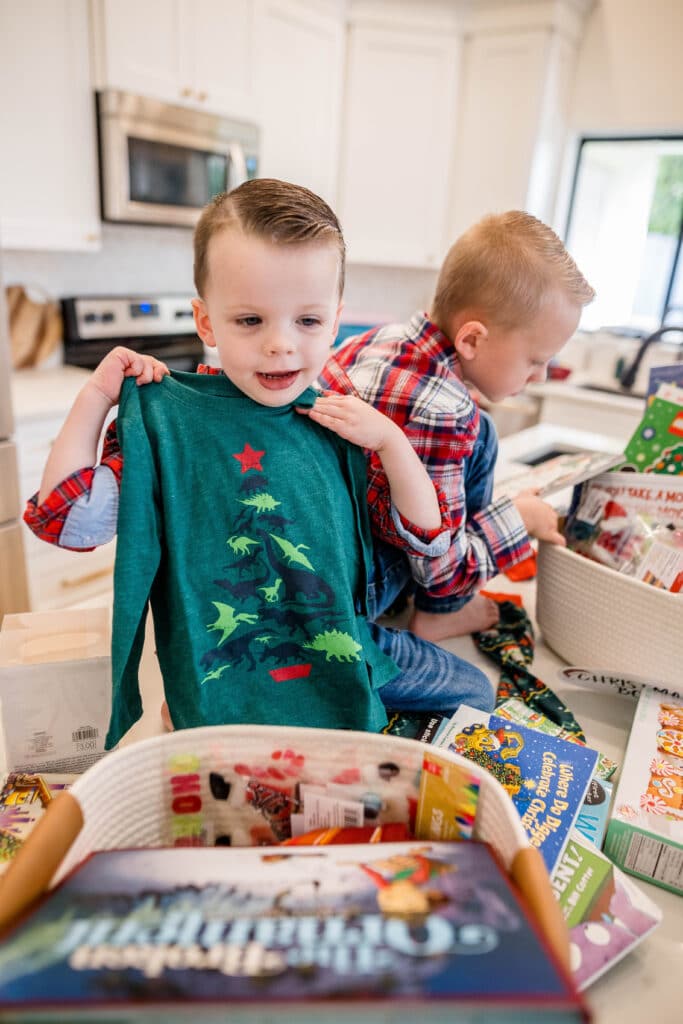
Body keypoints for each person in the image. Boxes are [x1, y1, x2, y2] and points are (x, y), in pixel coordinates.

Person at [24, 179, 493, 748]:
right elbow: (66, 519)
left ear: (336, 317)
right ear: (205, 322)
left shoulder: (340, 416)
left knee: (477, 692)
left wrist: (391, 443)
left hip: (344, 643)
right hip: (223, 671)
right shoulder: (172, 427)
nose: (280, 344)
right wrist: (96, 396)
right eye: (251, 321)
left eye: (308, 321)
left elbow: (426, 537)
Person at [320, 210, 596, 644]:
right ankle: (442, 615)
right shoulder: (446, 410)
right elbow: (442, 572)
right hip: (357, 591)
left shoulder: (375, 340)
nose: (540, 376)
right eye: (535, 360)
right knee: (481, 431)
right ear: (471, 340)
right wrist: (518, 519)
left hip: (319, 565)